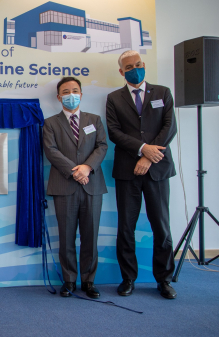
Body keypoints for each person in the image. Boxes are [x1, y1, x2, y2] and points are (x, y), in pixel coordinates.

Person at [106, 50, 178, 299]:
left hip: (157, 168)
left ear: (144, 65)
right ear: (121, 71)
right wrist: (140, 149)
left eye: (138, 64)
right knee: (126, 227)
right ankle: (128, 279)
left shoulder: (163, 92)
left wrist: (148, 155)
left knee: (162, 227)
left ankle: (164, 280)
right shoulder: (114, 98)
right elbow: (114, 132)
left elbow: (170, 127)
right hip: (128, 171)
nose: (134, 69)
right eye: (129, 66)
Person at [43, 76, 108, 299]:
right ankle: (69, 280)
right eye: (66, 91)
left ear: (81, 93)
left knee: (90, 237)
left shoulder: (95, 120)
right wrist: (75, 171)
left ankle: (89, 282)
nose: (71, 95)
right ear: (59, 97)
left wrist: (87, 168)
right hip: (65, 186)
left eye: (75, 90)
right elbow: (51, 151)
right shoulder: (51, 123)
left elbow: (102, 146)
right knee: (67, 237)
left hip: (92, 186)